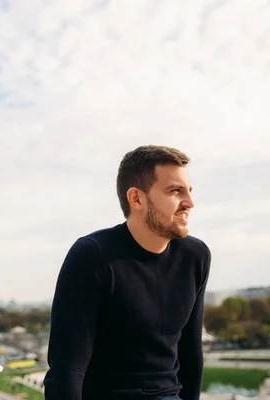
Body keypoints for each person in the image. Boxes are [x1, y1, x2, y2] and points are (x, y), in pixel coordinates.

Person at [43, 145, 211, 400]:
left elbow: (190, 352)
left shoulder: (195, 256)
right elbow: (67, 369)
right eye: (175, 191)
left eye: (189, 190)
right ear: (137, 199)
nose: (189, 202)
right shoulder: (92, 256)